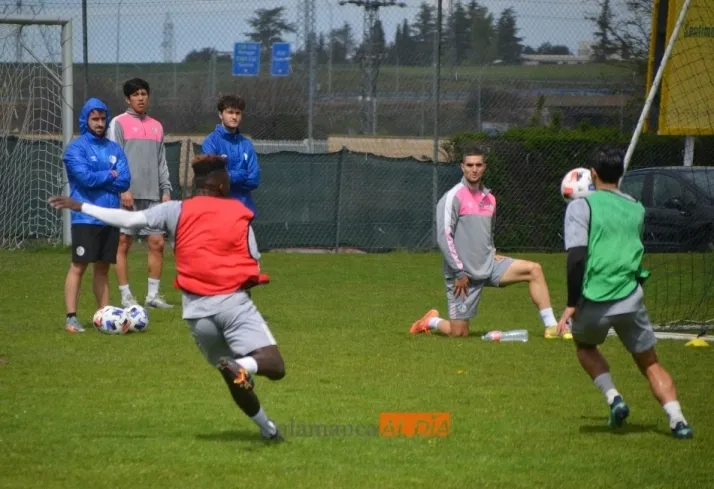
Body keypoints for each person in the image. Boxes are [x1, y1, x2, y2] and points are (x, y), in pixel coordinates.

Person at [49, 155, 285, 441]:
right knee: (274, 365)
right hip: (233, 303)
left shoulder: (175, 210)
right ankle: (244, 367)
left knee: (231, 374)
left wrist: (81, 206)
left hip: (197, 316)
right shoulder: (238, 212)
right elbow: (253, 263)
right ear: (222, 185)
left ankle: (268, 430)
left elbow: (130, 219)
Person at [555, 146, 693, 439]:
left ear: (593, 174)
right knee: (650, 362)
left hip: (594, 298)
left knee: (585, 346)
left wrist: (571, 303)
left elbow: (576, 258)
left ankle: (614, 398)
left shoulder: (580, 206)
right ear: (621, 174)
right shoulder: (636, 207)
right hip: (630, 296)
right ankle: (678, 420)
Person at [409, 143, 569, 339]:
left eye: (478, 165)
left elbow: (487, 233)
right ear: (462, 167)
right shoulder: (452, 197)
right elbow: (444, 237)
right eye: (470, 165)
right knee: (459, 334)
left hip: (489, 265)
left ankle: (552, 326)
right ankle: (431, 321)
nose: (474, 169)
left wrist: (492, 252)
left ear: (484, 167)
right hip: (463, 276)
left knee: (534, 270)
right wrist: (459, 272)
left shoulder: (490, 199)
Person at [62, 97, 131, 333]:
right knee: (79, 265)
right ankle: (71, 317)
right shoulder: (76, 149)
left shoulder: (115, 148)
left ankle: (105, 317)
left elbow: (125, 180)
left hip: (110, 217)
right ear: (86, 120)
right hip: (85, 218)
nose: (100, 123)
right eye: (95, 119)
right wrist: (110, 174)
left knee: (103, 268)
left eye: (102, 119)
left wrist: (105, 177)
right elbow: (85, 180)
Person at [107, 78, 174, 309]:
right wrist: (123, 188)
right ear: (128, 99)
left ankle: (152, 296)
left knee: (157, 243)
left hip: (153, 196)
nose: (140, 98)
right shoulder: (118, 123)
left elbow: (161, 161)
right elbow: (114, 158)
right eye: (135, 94)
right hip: (128, 195)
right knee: (123, 243)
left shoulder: (157, 126)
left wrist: (166, 190)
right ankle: (126, 296)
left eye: (144, 93)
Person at [201, 94, 260, 214]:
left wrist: (228, 178)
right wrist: (242, 174)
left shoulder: (246, 144)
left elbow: (254, 179)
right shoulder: (211, 142)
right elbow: (213, 178)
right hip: (219, 211)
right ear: (220, 115)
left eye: (238, 113)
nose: (234, 117)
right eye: (230, 112)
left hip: (244, 211)